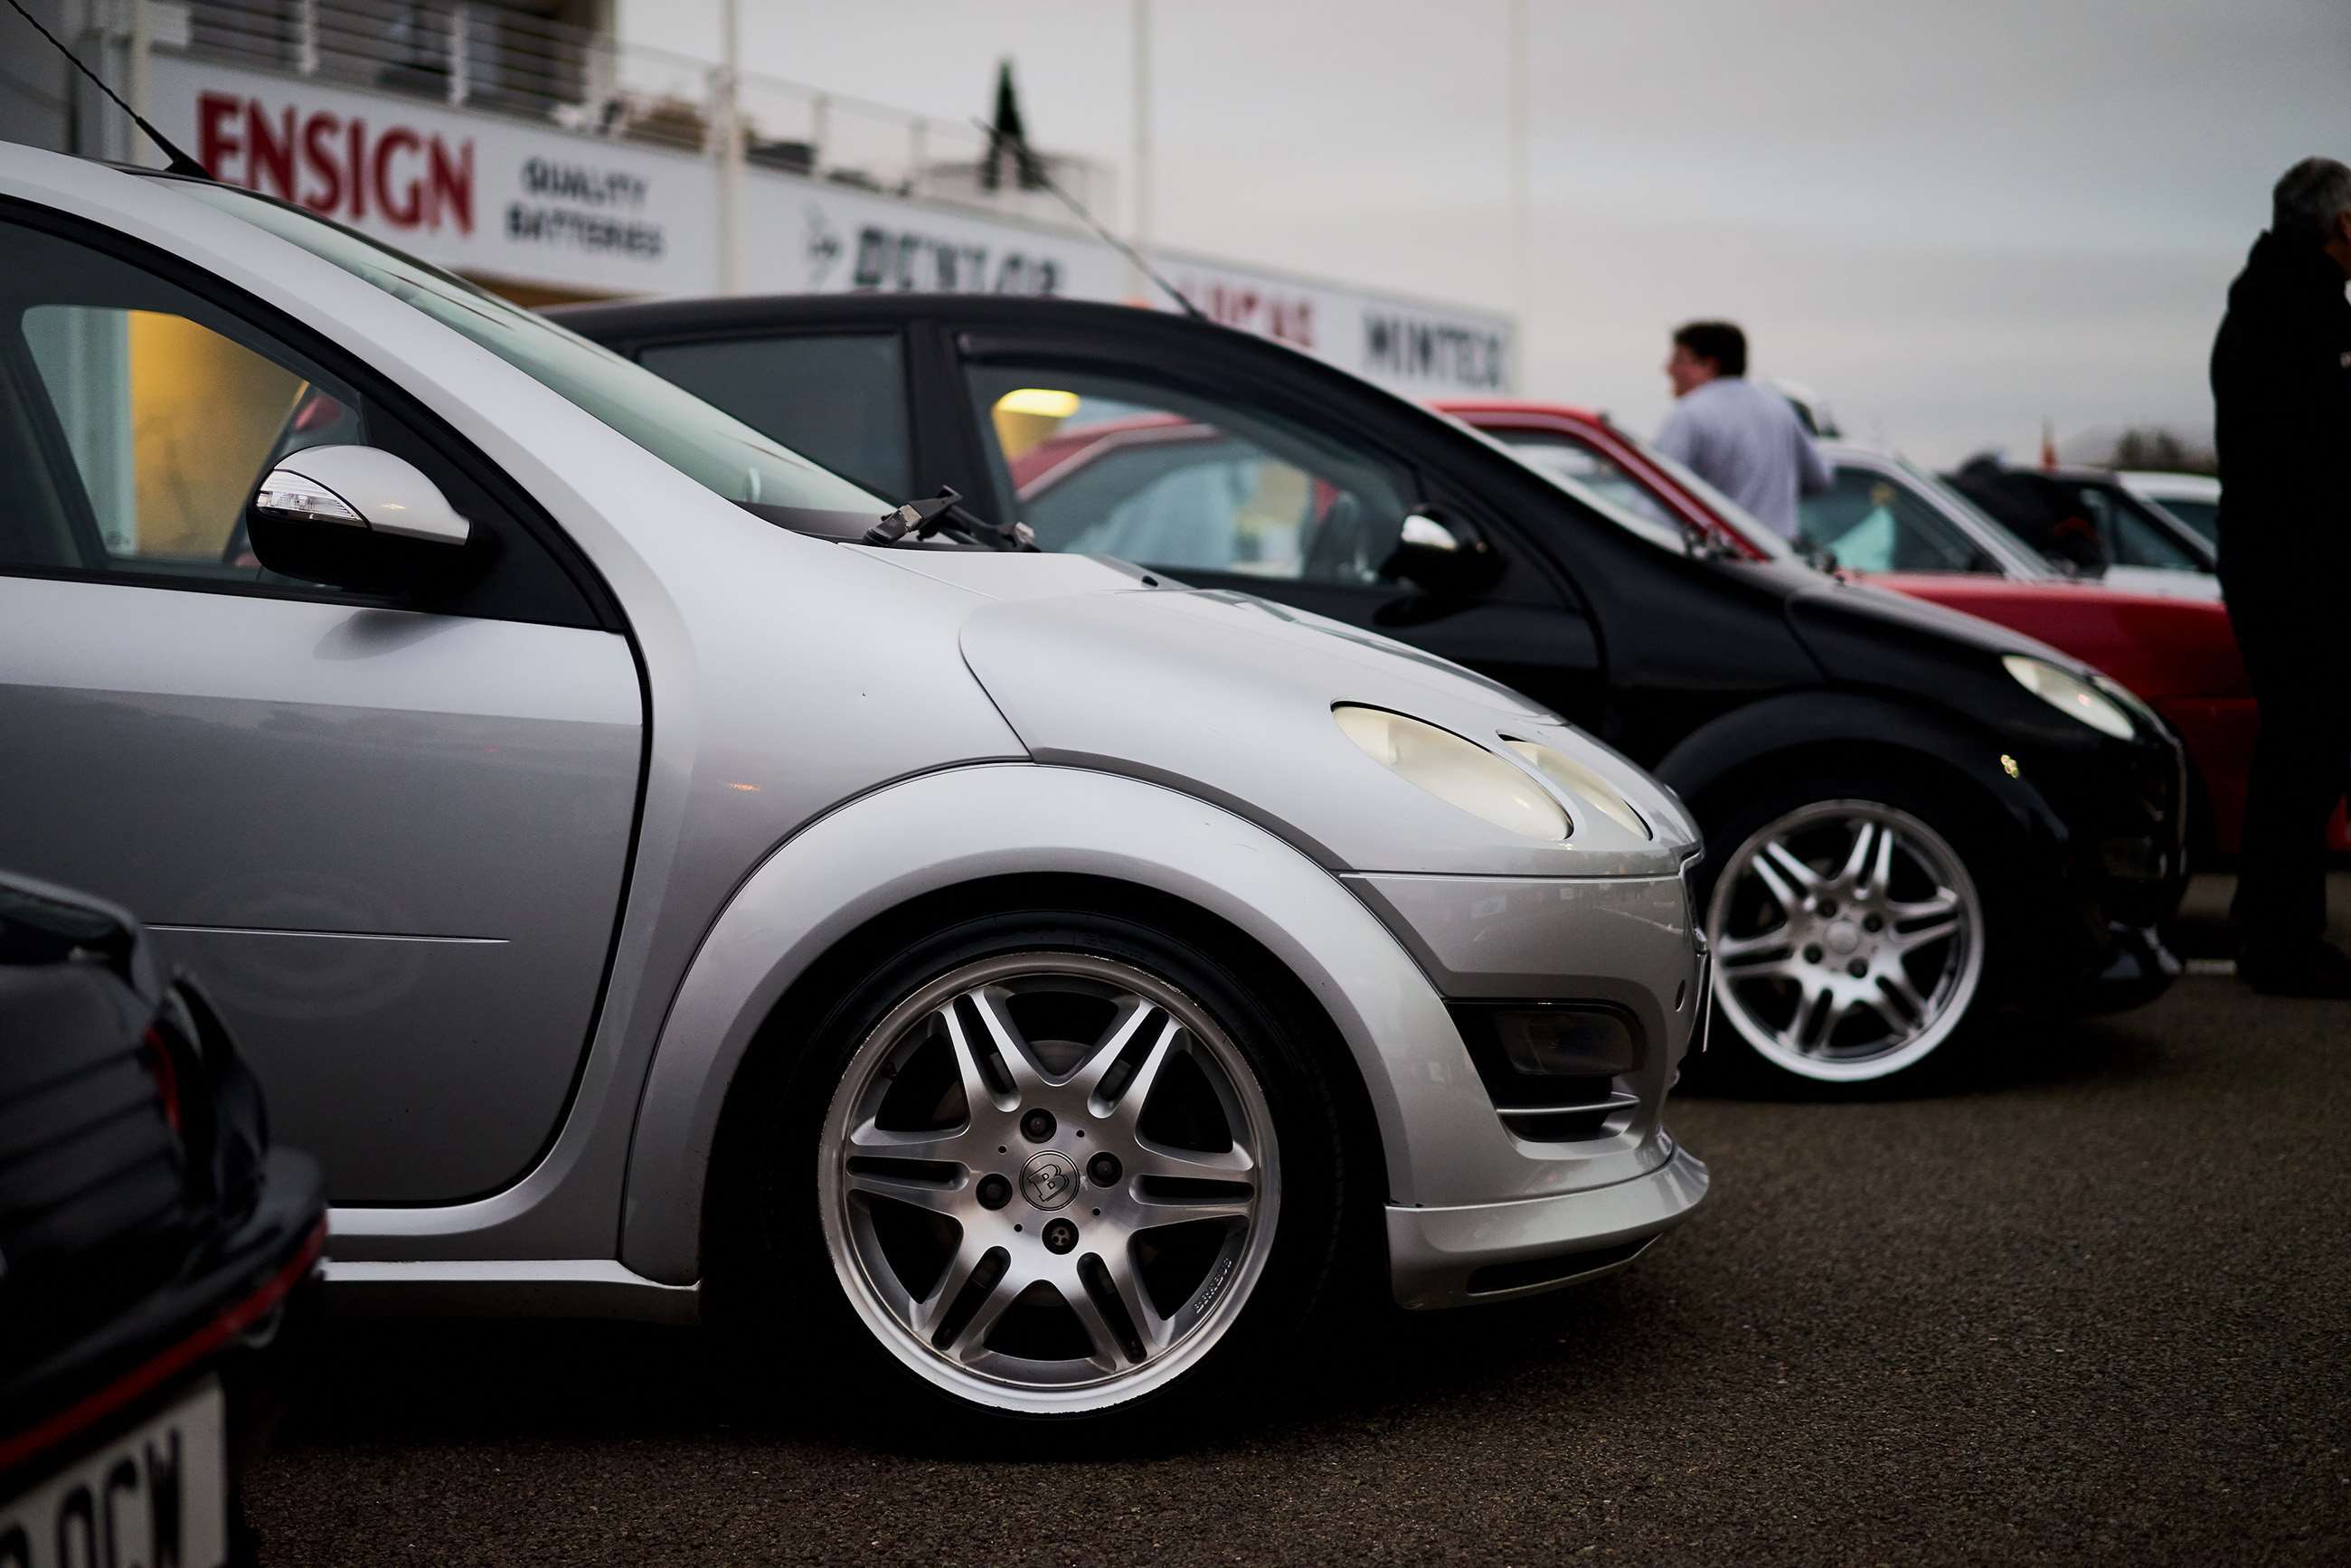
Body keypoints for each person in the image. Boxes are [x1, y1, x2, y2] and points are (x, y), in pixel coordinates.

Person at [2212, 156, 2351, 996]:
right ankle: (2281, 942)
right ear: (2342, 225)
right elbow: (2324, 455)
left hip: (2279, 559)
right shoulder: (2302, 310)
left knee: (2296, 748)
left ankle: (2268, 923)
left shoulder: (2268, 297)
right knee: (2307, 750)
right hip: (2300, 567)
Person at [1654, 320, 1831, 541]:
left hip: (1716, 558)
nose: (1669, 369)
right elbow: (1819, 478)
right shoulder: (1778, 407)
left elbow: (1655, 496)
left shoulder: (1691, 413)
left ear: (1709, 365)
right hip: (1780, 559)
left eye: (1679, 360)